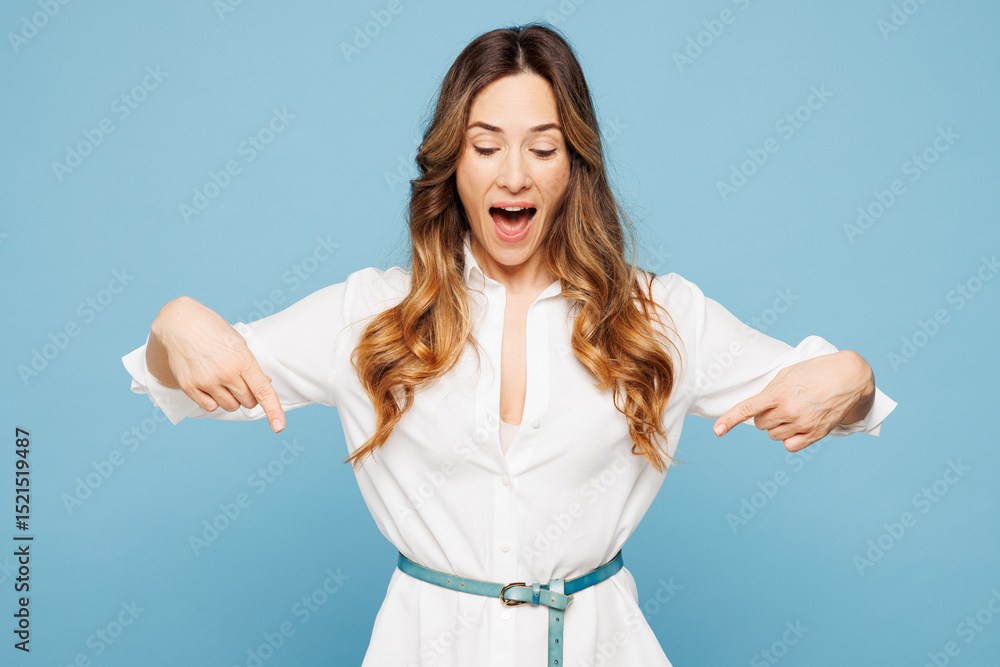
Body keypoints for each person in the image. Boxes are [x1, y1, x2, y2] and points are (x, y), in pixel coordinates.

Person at [122, 23, 897, 667]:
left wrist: (854, 376)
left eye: (544, 146)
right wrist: (172, 324)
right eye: (486, 145)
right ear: (452, 162)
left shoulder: (659, 314)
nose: (514, 174)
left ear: (576, 163)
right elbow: (190, 375)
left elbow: (834, 390)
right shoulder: (371, 314)